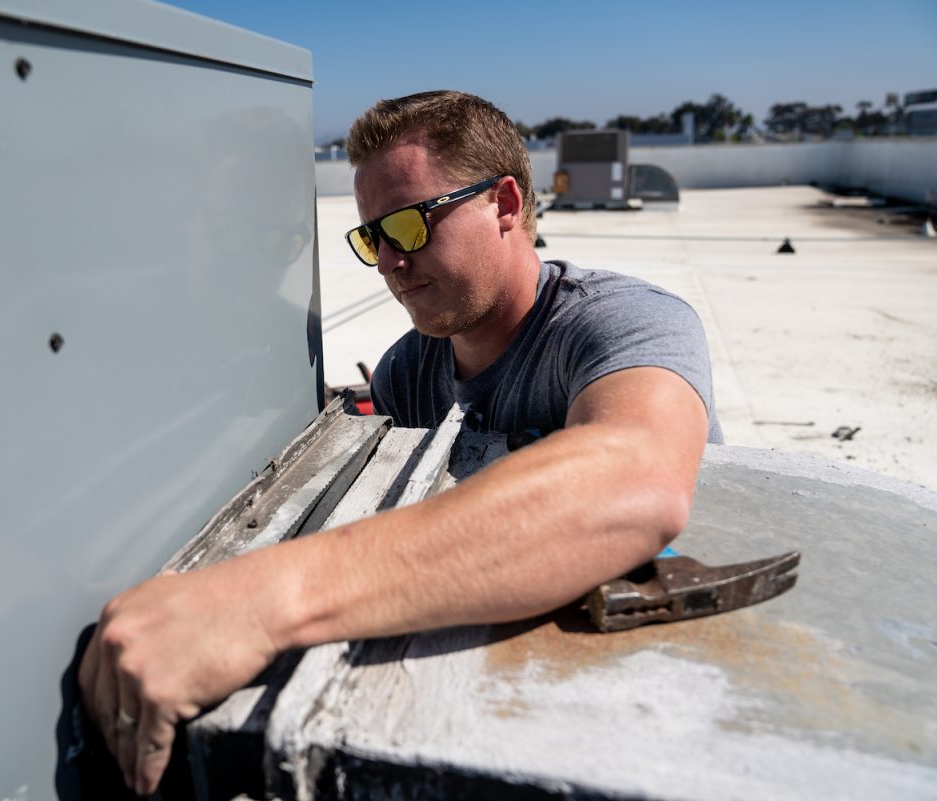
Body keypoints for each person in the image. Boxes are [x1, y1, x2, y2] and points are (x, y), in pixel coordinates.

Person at [79, 90, 719, 796]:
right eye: (371, 238)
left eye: (411, 226)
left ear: (505, 204)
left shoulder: (625, 325)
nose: (388, 261)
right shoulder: (407, 369)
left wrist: (259, 601)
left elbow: (635, 481)